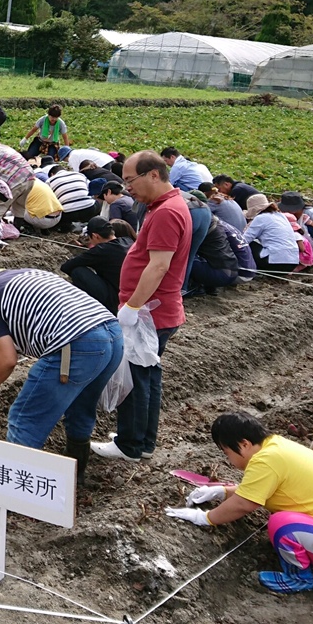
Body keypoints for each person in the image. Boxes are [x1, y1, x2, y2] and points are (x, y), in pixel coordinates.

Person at [0, 259, 123, 508]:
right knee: (80, 406)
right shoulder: (25, 274)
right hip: (112, 334)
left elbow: (7, 360)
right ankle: (76, 474)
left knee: (25, 418)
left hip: (75, 343)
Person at [165, 413, 313, 594]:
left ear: (244, 444)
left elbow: (245, 504)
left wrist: (205, 518)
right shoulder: (275, 447)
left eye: (227, 452)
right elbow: (255, 491)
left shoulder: (266, 460)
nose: (228, 459)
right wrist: (221, 492)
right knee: (285, 524)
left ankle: (299, 579)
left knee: (282, 525)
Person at [93, 151, 192, 462]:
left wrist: (133, 307)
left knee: (135, 379)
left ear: (153, 175)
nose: (127, 188)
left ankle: (130, 445)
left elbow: (159, 266)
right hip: (156, 310)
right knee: (147, 376)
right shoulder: (165, 206)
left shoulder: (166, 213)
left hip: (150, 313)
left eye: (130, 180)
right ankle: (143, 441)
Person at [0, 132, 59, 231]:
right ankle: (17, 228)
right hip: (30, 177)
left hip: (13, 179)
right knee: (20, 205)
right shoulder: (3, 147)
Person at [60, 216, 134, 313]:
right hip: (133, 296)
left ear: (95, 236)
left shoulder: (100, 250)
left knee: (78, 271)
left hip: (116, 301)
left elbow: (66, 267)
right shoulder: (128, 241)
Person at [187, 195, 241, 295]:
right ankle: (208, 287)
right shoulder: (217, 224)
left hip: (218, 274)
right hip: (232, 271)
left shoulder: (202, 224)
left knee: (184, 255)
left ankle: (191, 289)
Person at [242, 194, 302, 274]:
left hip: (273, 263)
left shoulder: (260, 218)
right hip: (292, 262)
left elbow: (245, 240)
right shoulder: (281, 216)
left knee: (250, 244)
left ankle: (244, 269)